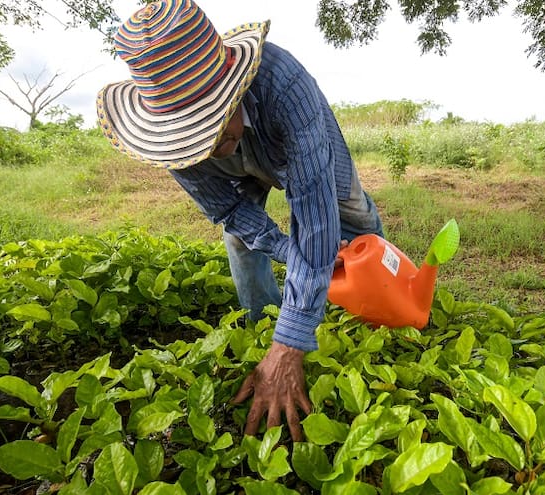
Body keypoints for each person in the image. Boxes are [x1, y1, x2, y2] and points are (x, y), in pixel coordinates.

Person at [97, 0, 383, 441]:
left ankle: (375, 319)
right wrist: (291, 255)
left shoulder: (285, 86)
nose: (207, 146)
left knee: (354, 218)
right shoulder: (176, 140)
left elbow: (314, 212)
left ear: (234, 90)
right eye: (193, 136)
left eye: (211, 126)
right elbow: (229, 209)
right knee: (242, 239)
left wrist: (291, 345)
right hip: (243, 164)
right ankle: (262, 322)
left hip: (292, 141)